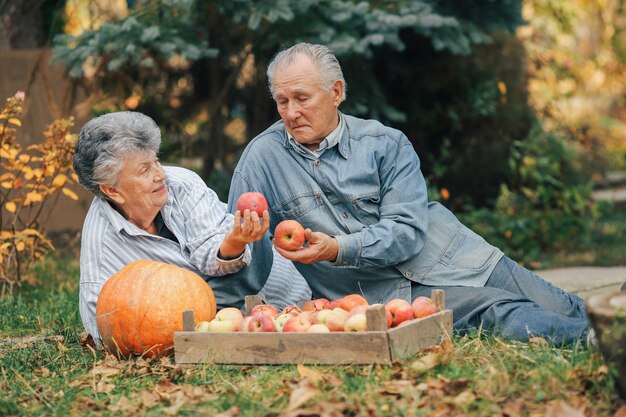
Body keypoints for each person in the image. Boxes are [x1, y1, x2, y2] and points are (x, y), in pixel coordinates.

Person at [227, 42, 593, 345]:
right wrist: (234, 249)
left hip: (451, 255)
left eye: (301, 98)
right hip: (380, 296)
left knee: (563, 305)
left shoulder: (385, 143)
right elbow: (246, 264)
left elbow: (406, 232)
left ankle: (607, 324)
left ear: (336, 92)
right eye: (282, 100)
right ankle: (597, 344)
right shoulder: (261, 160)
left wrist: (338, 248)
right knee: (500, 308)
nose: (290, 113)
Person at [74, 111, 310, 341]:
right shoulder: (102, 239)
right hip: (203, 314)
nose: (160, 175)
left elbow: (209, 249)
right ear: (112, 190)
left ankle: (202, 322)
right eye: (144, 170)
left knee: (251, 248)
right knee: (182, 308)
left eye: (156, 161)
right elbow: (100, 318)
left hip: (285, 298)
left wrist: (235, 241)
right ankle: (204, 323)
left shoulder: (182, 184)